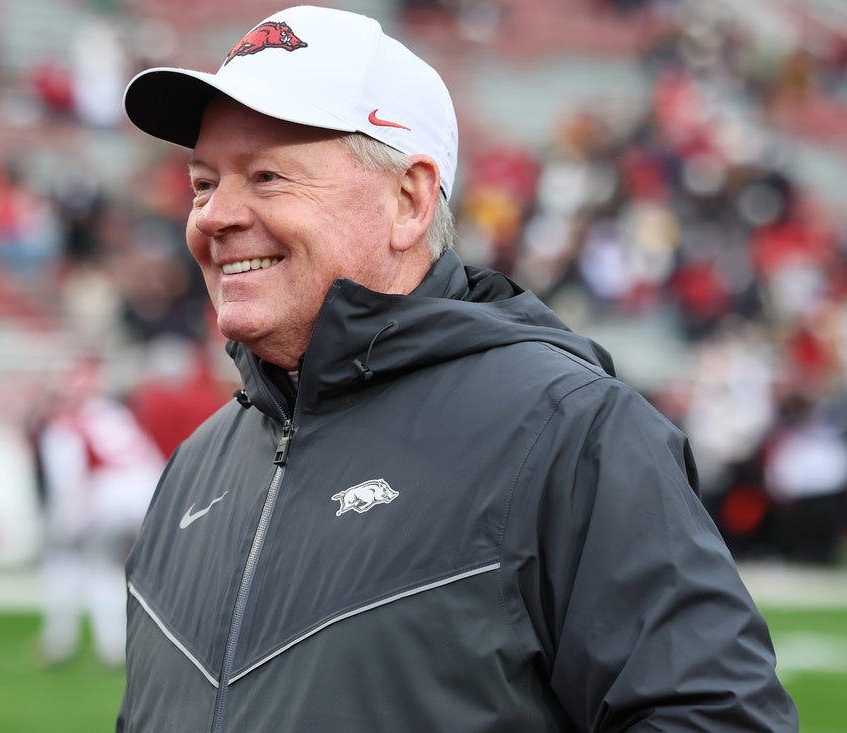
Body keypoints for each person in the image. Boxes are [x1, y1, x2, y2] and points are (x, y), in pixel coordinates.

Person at [116, 6, 797, 731]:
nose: (214, 215)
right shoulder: (197, 466)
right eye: (203, 183)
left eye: (266, 176)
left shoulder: (568, 431)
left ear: (408, 201)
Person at [36, 354, 165, 667]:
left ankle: (71, 642)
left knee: (81, 566)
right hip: (147, 499)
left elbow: (69, 483)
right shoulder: (113, 414)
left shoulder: (66, 427)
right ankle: (114, 644)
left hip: (109, 502)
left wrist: (68, 525)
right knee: (115, 570)